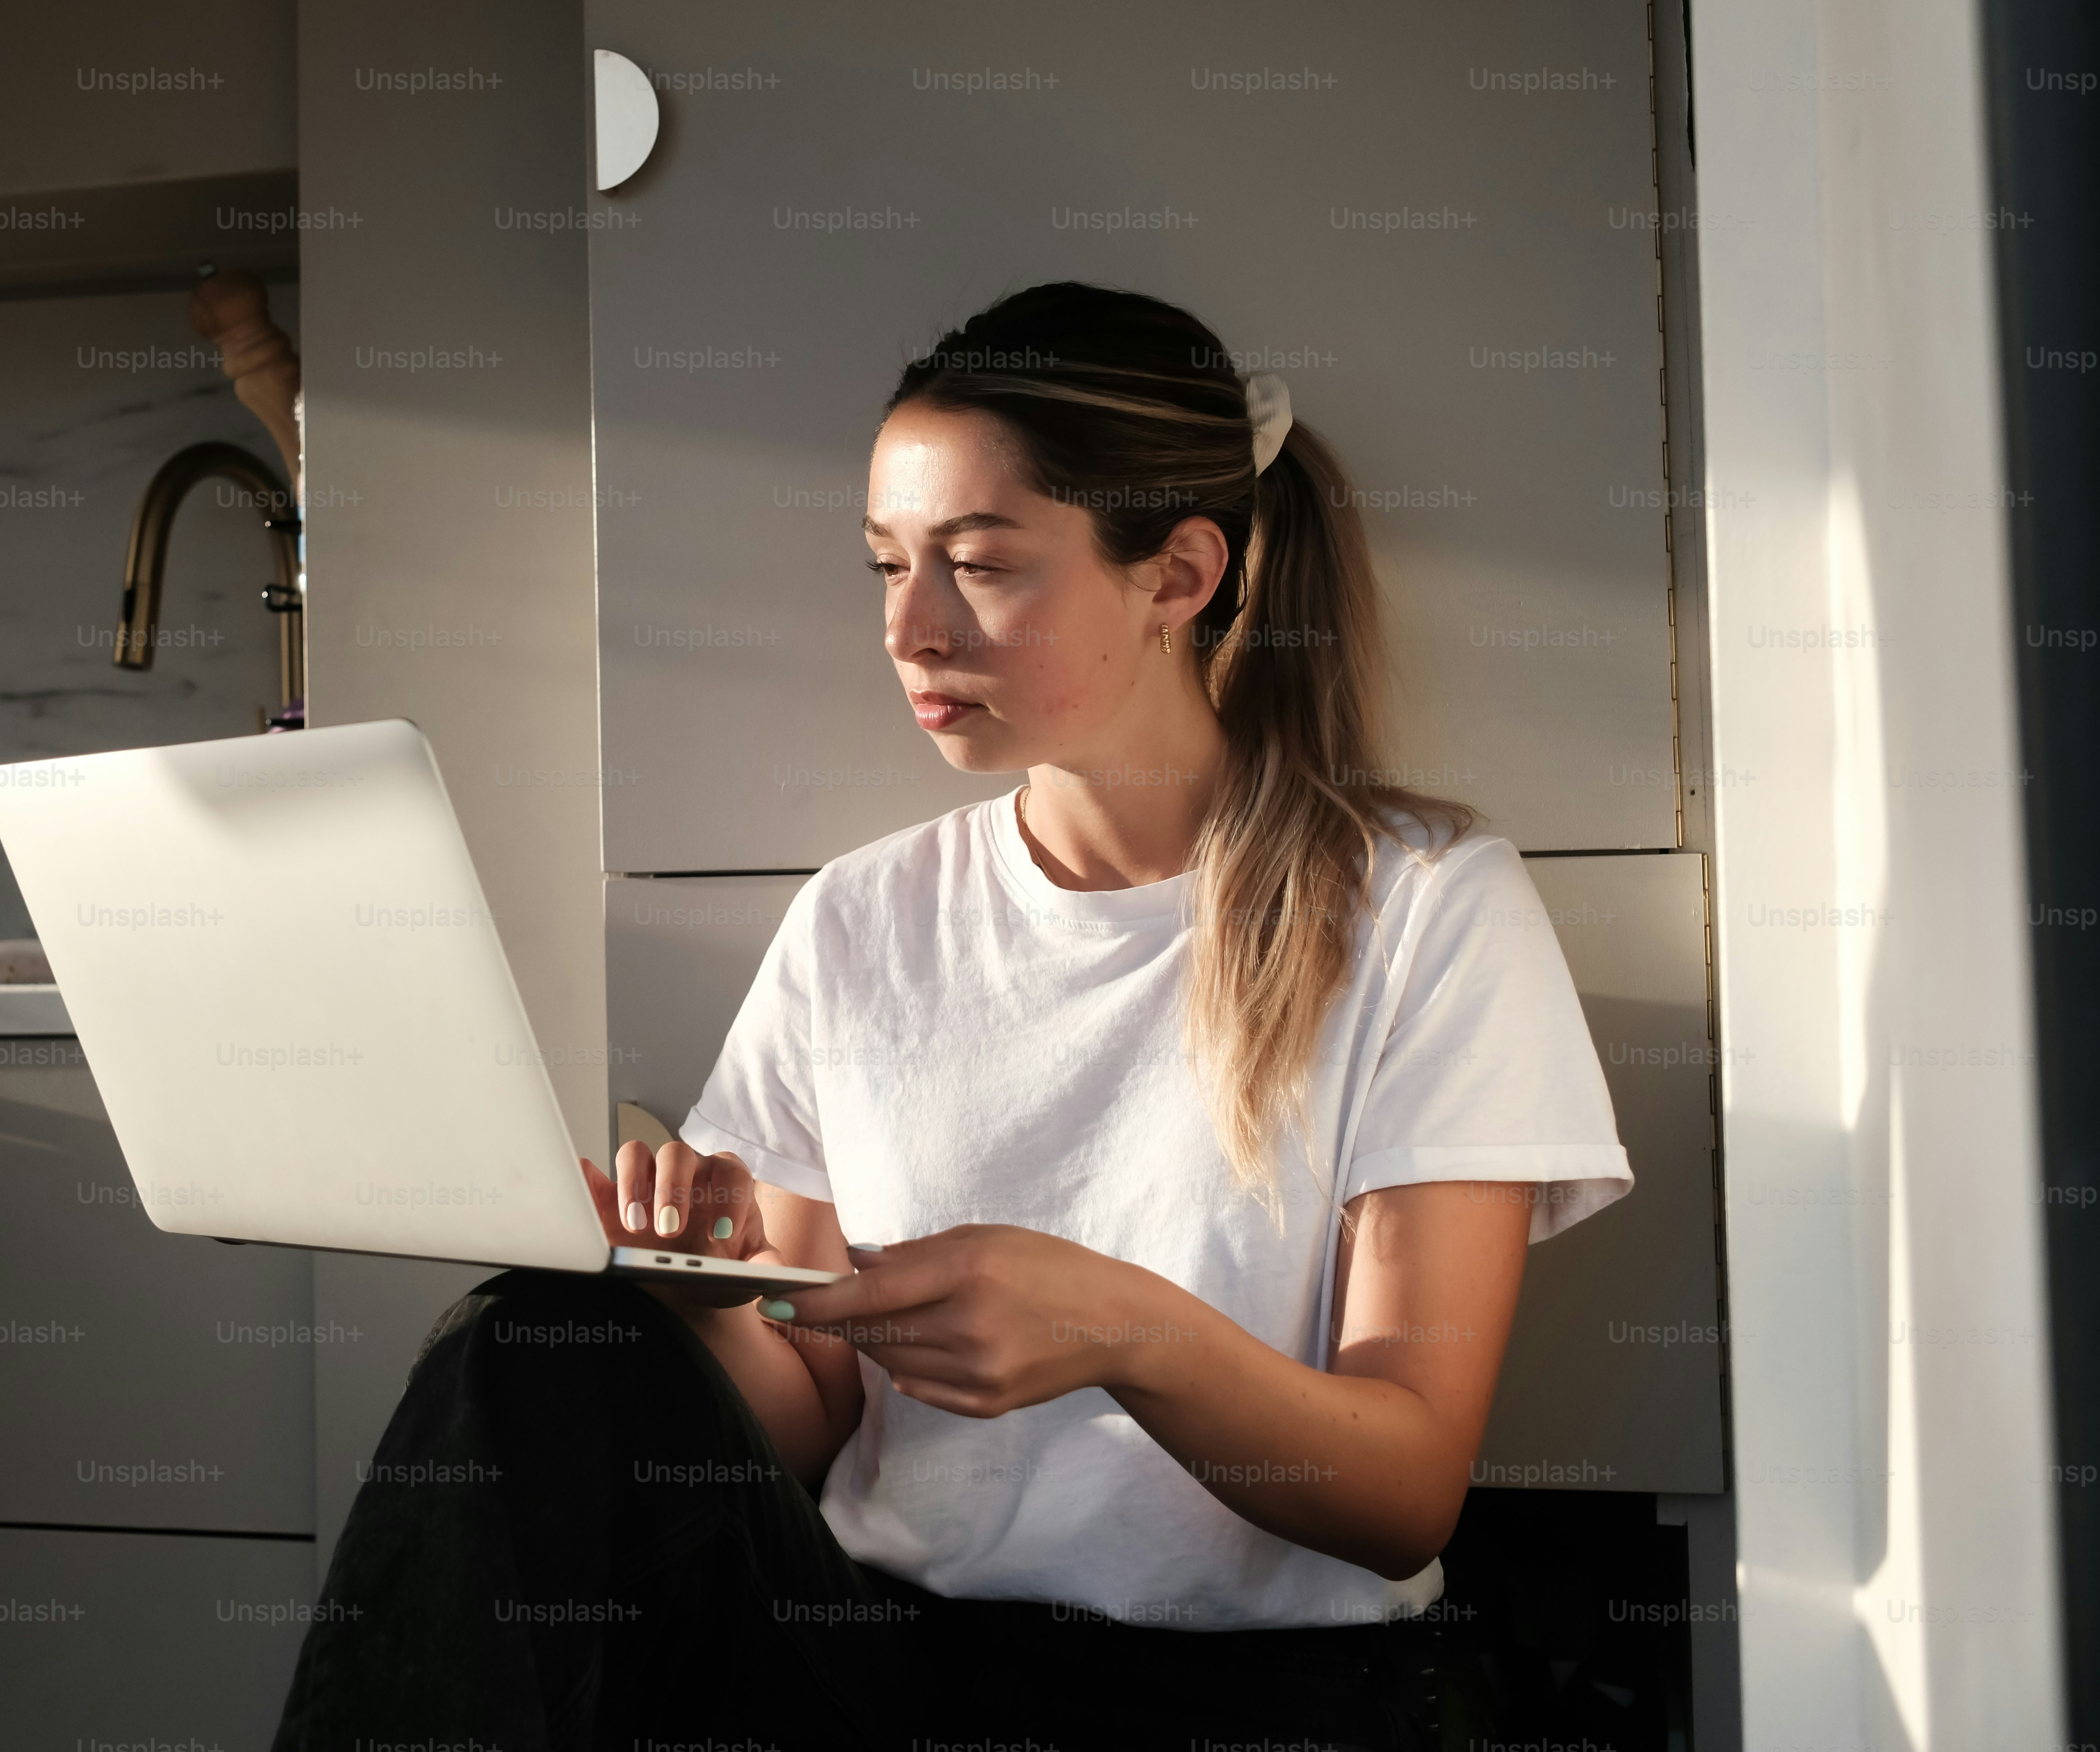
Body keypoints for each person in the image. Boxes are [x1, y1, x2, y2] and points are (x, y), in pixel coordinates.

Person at [273, 283, 1630, 1751]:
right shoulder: (862, 920)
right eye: (885, 566)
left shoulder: (1426, 911)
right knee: (528, 1340)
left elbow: (1403, 1493)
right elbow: (812, 1405)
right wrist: (684, 1295)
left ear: (1179, 576)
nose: (910, 631)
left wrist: (1120, 1329)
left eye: (980, 567)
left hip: (1261, 1699)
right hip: (877, 1667)